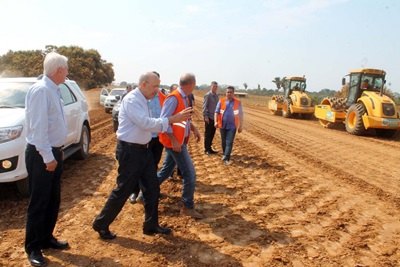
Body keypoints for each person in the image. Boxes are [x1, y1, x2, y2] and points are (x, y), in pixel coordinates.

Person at [92, 72, 193, 239]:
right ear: (144, 84)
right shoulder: (132, 100)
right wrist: (172, 119)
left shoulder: (144, 99)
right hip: (130, 152)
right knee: (123, 189)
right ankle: (101, 223)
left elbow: (148, 123)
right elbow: (146, 123)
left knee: (152, 188)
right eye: (154, 86)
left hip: (143, 151)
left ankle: (151, 225)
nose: (157, 90)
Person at [24, 52, 70, 267]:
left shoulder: (53, 89)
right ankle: (33, 246)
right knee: (39, 201)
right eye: (66, 69)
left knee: (53, 199)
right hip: (43, 154)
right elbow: (38, 128)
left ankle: (46, 238)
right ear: (58, 70)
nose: (68, 73)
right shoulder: (41, 90)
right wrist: (48, 157)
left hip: (54, 152)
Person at [157, 73, 204, 219]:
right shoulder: (174, 98)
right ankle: (187, 206)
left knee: (165, 171)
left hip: (178, 142)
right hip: (175, 144)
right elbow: (163, 121)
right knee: (190, 174)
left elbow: (184, 120)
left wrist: (194, 129)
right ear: (191, 84)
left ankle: (144, 193)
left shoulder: (185, 98)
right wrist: (174, 141)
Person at [129, 71, 166, 204]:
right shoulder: (143, 98)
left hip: (158, 137)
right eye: (154, 85)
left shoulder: (163, 97)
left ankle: (151, 190)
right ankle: (135, 192)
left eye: (157, 85)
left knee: (153, 165)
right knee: (139, 167)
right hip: (145, 136)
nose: (156, 89)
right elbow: (143, 121)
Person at [214, 86, 244, 165]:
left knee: (229, 142)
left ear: (233, 93)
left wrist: (240, 126)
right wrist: (215, 122)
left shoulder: (237, 102)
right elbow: (216, 112)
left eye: (231, 92)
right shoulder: (221, 101)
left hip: (232, 126)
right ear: (226, 93)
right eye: (227, 92)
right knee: (223, 142)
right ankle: (224, 154)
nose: (229, 94)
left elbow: (241, 115)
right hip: (222, 125)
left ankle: (226, 158)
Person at [202, 81, 219, 155]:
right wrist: (205, 116)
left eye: (216, 87)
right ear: (211, 86)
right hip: (209, 118)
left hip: (214, 118)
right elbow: (204, 106)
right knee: (208, 134)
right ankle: (206, 149)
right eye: (213, 86)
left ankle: (210, 148)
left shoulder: (216, 96)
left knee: (212, 134)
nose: (215, 88)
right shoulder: (208, 95)